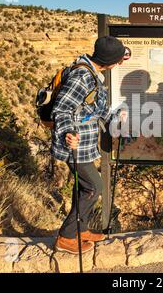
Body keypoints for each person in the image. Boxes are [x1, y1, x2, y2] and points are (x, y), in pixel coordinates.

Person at [51, 36, 129, 254]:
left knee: (83, 187)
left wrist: (115, 116)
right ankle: (66, 237)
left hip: (85, 145)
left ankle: (81, 229)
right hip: (74, 144)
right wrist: (68, 132)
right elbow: (62, 108)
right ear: (110, 61)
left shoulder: (94, 74)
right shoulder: (82, 76)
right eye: (119, 59)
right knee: (94, 188)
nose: (120, 63)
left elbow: (95, 109)